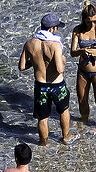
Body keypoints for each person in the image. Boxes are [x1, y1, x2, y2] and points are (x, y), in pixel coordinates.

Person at [19, 16, 70, 145]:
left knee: (42, 117)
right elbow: (59, 69)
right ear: (52, 28)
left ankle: (43, 143)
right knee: (64, 110)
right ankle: (66, 137)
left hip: (41, 86)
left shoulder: (29, 43)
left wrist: (35, 62)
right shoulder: (55, 45)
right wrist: (63, 60)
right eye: (56, 28)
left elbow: (22, 67)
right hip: (57, 85)